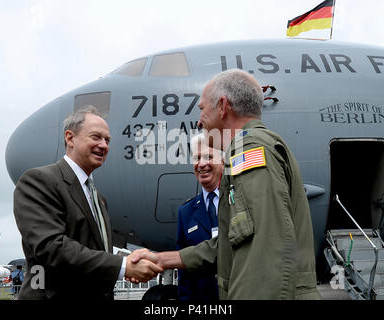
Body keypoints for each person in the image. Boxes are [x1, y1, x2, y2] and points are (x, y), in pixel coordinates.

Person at [131, 69, 320, 299]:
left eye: (202, 109)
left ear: (222, 106)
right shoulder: (252, 146)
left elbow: (264, 250)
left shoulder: (249, 149)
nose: (199, 121)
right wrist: (163, 259)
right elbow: (232, 243)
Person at [13, 106, 162, 300]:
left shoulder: (99, 198)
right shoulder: (39, 180)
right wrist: (123, 266)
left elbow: (94, 254)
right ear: (70, 138)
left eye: (107, 140)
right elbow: (51, 248)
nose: (104, 145)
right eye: (95, 137)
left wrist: (125, 262)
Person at [176, 134, 223, 300]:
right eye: (196, 158)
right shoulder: (186, 212)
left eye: (208, 157)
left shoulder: (238, 201)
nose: (202, 164)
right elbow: (185, 272)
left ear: (223, 162)